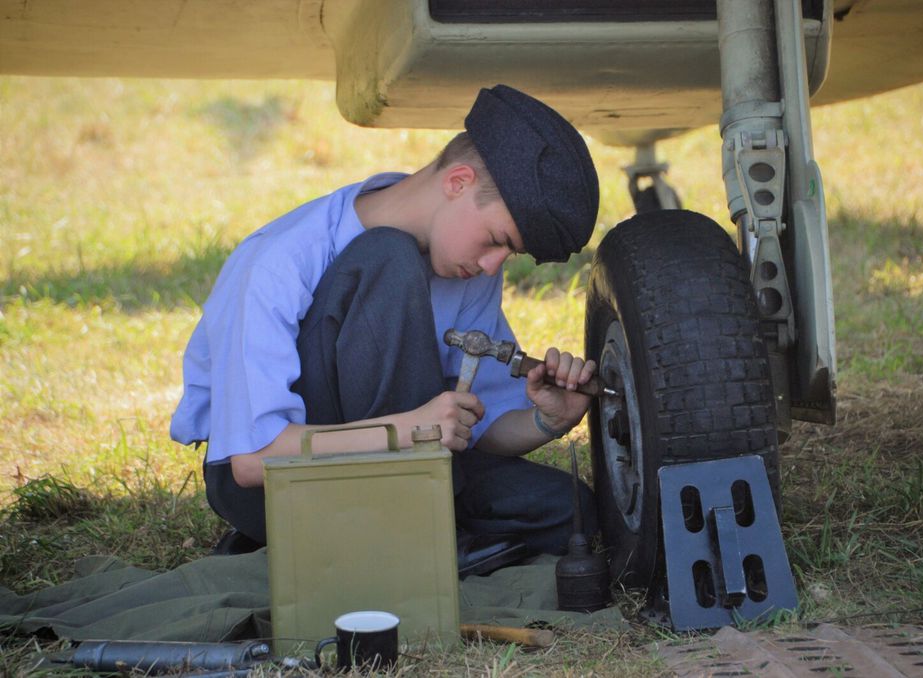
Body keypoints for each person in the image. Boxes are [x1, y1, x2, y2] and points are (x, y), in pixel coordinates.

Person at [170, 85, 601, 572]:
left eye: (508, 254)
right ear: (458, 182)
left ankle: (407, 539)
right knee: (387, 258)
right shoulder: (277, 262)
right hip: (284, 480)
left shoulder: (467, 267)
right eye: (497, 241)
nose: (492, 264)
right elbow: (251, 461)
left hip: (420, 468)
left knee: (574, 514)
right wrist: (405, 431)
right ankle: (417, 536)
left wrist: (548, 420)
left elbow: (474, 431)